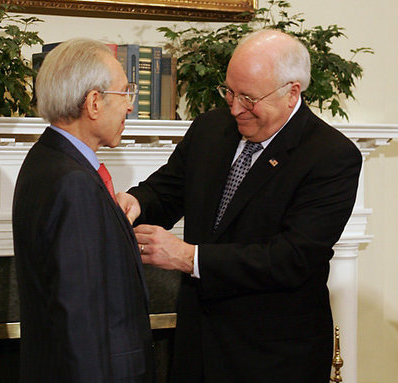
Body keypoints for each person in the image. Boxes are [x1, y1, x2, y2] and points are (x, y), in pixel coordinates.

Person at [117, 29, 362, 383]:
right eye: (229, 92)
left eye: (248, 98)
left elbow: (290, 258)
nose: (234, 108)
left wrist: (188, 257)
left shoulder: (331, 157)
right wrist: (135, 202)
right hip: (197, 348)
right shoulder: (211, 129)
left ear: (292, 92)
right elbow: (168, 191)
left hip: (271, 359)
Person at [13, 38, 155, 383]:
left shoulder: (44, 160)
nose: (130, 107)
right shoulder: (73, 183)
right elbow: (80, 322)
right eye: (125, 94)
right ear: (94, 102)